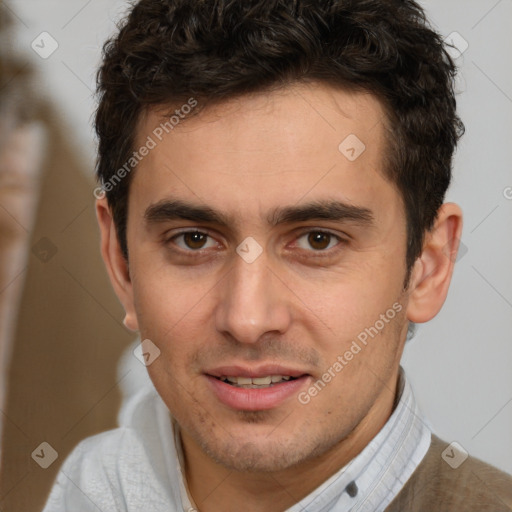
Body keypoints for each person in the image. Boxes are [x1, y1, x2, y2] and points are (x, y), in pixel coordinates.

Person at [43, 0, 512, 510]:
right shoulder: (82, 490)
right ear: (119, 260)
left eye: (318, 240)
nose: (247, 319)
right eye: (193, 240)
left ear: (428, 265)